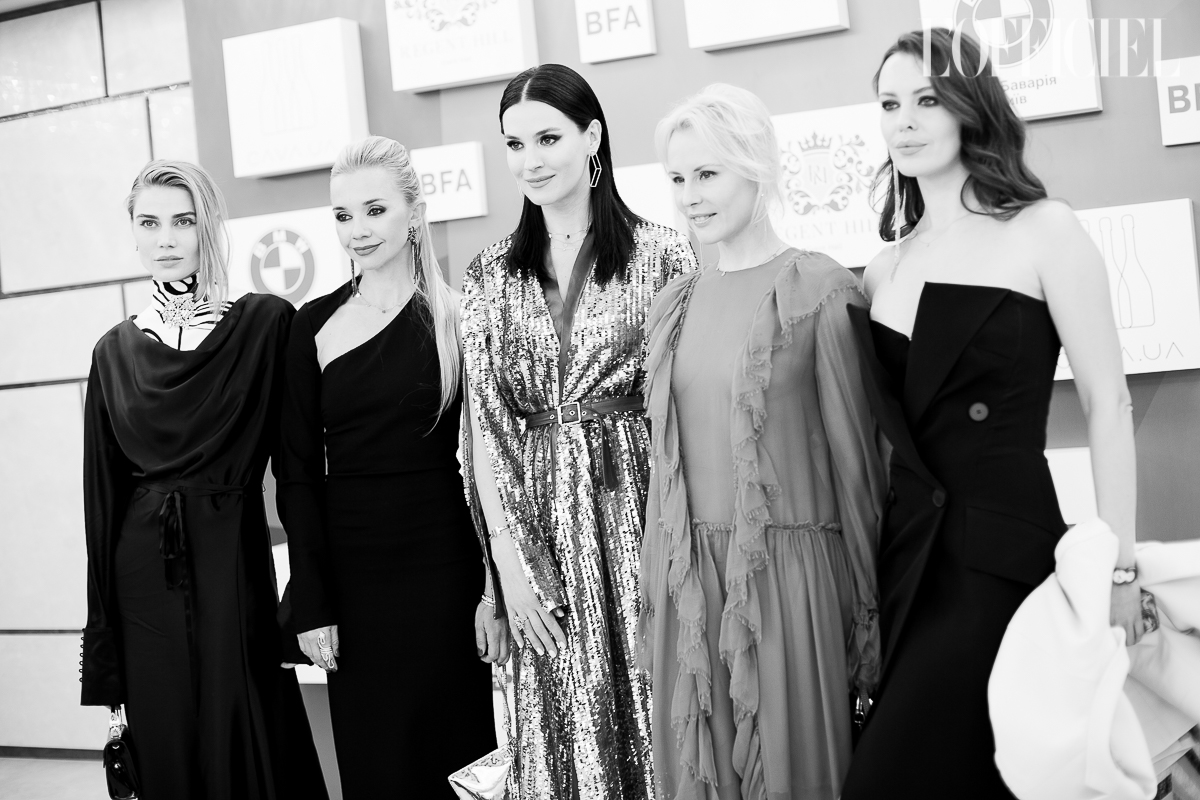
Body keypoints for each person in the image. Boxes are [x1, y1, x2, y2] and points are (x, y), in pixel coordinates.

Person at [840, 29, 1144, 799]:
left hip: (1002, 558)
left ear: (971, 107)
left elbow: (1108, 403)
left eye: (926, 100)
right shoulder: (882, 270)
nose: (905, 121)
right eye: (889, 104)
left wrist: (1119, 566)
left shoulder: (1044, 229)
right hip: (908, 564)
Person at [638, 84, 885, 800]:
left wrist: (867, 616)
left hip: (789, 591)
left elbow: (859, 469)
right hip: (690, 592)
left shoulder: (820, 289)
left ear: (757, 167)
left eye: (707, 174)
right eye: (677, 178)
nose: (690, 196)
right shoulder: (674, 303)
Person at [460, 63, 698, 799]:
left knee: (658, 707)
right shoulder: (488, 276)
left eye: (548, 138)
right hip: (537, 532)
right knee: (561, 724)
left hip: (642, 513)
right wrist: (510, 572)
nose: (530, 160)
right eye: (514, 144)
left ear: (592, 137)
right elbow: (486, 432)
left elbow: (685, 408)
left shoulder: (665, 253)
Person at [80, 160, 327, 799]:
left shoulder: (265, 323)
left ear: (209, 227)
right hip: (141, 581)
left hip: (231, 565)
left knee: (248, 736)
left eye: (183, 222)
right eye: (149, 223)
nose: (166, 239)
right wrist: (105, 653)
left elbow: (299, 471)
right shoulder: (112, 353)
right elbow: (101, 503)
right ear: (133, 234)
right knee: (168, 745)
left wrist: (310, 595)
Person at [277, 136, 502, 799]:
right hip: (353, 580)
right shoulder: (311, 325)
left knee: (459, 763)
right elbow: (296, 473)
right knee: (375, 764)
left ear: (414, 212)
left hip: (445, 572)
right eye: (343, 215)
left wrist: (492, 590)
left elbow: (490, 468)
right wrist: (311, 601)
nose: (358, 230)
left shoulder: (458, 318)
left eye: (374, 210)